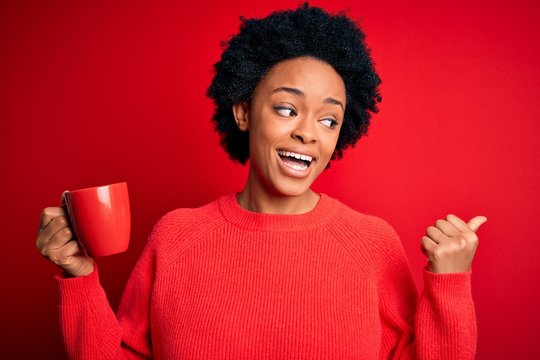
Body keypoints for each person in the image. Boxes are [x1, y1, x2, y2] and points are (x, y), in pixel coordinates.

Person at [36, 4, 486, 359]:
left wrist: (450, 283)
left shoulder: (371, 244)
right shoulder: (176, 237)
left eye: (329, 119)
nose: (308, 131)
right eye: (287, 109)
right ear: (244, 112)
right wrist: (80, 278)